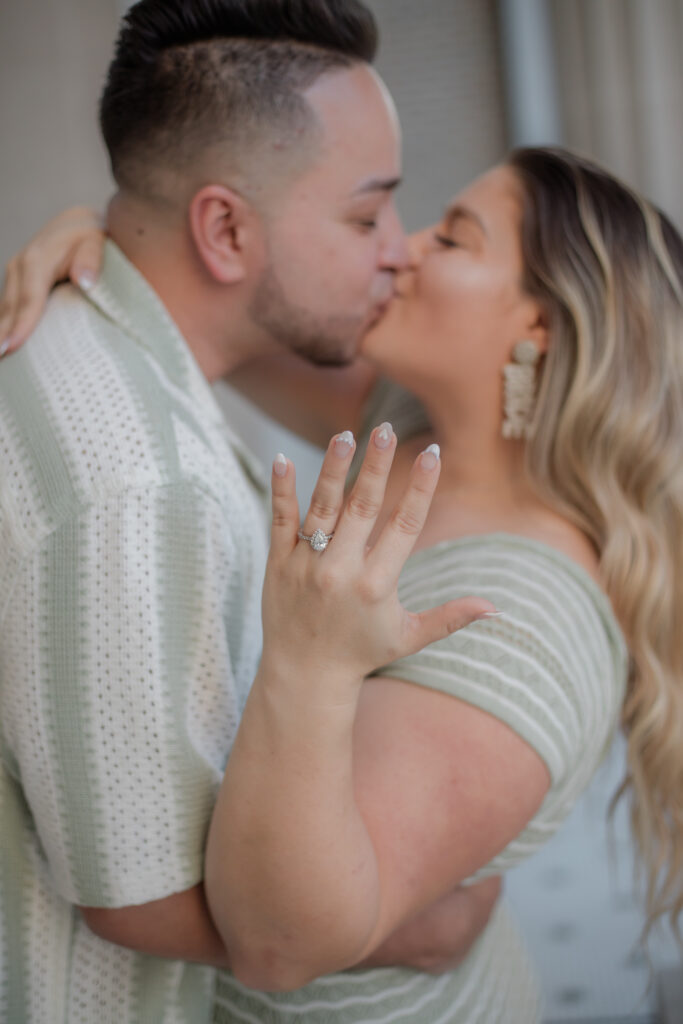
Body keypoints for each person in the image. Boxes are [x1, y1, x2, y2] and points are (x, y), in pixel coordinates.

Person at [6, 141, 683, 1018]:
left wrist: (309, 662)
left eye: (452, 239)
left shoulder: (521, 615)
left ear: (537, 327)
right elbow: (211, 314)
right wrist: (98, 236)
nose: (400, 249)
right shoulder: (407, 423)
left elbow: (281, 940)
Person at [0, 2, 503, 1023]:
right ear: (223, 227)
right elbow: (134, 898)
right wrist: (412, 920)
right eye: (367, 216)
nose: (396, 252)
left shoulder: (101, 342)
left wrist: (95, 224)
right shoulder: (138, 485)